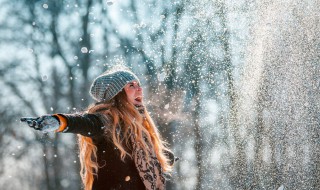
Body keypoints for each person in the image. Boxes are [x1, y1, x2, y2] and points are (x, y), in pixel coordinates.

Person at [21, 66, 175, 190]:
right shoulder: (107, 121)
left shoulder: (140, 129)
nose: (139, 89)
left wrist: (160, 156)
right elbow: (84, 122)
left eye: (138, 84)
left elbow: (136, 158)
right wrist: (59, 121)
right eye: (131, 85)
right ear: (118, 94)